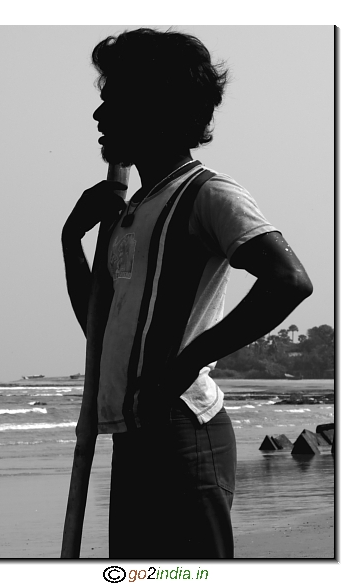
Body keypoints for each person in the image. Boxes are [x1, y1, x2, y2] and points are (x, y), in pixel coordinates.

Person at [61, 28, 313, 559]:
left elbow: (289, 281)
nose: (98, 116)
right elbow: (99, 334)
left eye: (113, 102)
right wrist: (71, 242)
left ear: (155, 110)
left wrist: (186, 363)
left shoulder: (208, 194)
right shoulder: (130, 212)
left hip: (183, 432)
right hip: (133, 437)